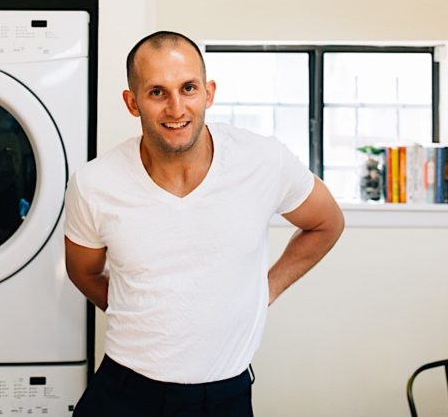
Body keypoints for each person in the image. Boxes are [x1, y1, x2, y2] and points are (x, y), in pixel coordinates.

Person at [64, 31, 345, 416]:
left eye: (189, 88)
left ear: (209, 93)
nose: (176, 108)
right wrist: (146, 310)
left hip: (222, 396)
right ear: (132, 103)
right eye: (157, 92)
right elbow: (83, 272)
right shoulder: (94, 183)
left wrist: (266, 289)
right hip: (124, 390)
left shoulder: (262, 161)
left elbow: (327, 223)